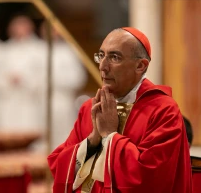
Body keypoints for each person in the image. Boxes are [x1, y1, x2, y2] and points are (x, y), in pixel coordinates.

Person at [47, 27, 192, 192]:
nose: (103, 66)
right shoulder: (92, 107)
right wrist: (94, 139)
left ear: (140, 66)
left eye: (114, 57)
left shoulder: (163, 111)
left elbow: (149, 179)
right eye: (101, 56)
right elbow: (59, 167)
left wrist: (109, 135)